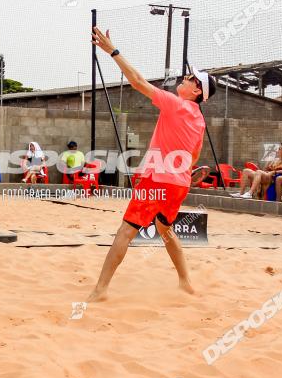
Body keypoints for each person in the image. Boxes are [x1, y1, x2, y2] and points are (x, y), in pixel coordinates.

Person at [88, 26, 216, 302]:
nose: (185, 77)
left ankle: (100, 290)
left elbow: (137, 82)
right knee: (165, 229)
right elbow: (195, 155)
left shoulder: (176, 105)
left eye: (191, 77)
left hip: (156, 179)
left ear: (196, 91)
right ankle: (185, 282)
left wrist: (113, 51)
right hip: (179, 184)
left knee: (126, 231)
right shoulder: (199, 119)